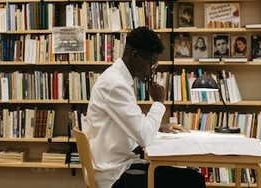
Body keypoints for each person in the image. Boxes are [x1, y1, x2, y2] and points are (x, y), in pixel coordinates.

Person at [85, 27, 205, 188]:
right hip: (114, 175)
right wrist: (158, 102)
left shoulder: (117, 79)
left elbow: (134, 127)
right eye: (151, 63)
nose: (152, 70)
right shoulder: (115, 85)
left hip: (118, 164)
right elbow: (144, 137)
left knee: (187, 176)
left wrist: (158, 127)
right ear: (135, 56)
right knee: (193, 181)